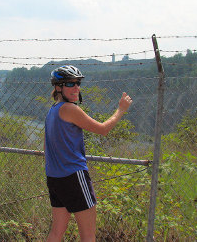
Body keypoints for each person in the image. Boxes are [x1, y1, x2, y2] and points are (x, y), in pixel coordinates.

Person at [44, 65, 132, 242]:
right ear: (58, 87)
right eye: (70, 84)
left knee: (56, 232)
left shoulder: (52, 111)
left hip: (54, 178)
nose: (76, 87)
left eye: (78, 83)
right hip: (74, 176)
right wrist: (121, 109)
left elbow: (47, 148)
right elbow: (103, 129)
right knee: (88, 235)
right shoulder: (69, 109)